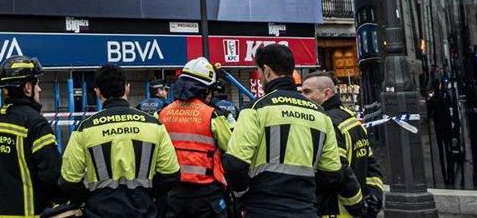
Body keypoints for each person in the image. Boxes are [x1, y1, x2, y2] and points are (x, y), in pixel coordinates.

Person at [224, 43, 361, 218]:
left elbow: (235, 163)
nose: (258, 77)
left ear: (266, 71)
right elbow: (333, 172)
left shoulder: (255, 110)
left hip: (263, 208)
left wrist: (242, 196)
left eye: (258, 71)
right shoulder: (320, 115)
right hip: (305, 209)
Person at [61, 63, 180, 218]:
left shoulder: (85, 129)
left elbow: (68, 180)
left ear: (97, 92)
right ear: (127, 88)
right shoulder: (153, 124)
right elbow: (171, 174)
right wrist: (147, 195)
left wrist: (91, 198)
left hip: (98, 211)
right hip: (143, 210)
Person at [0, 56, 62, 218]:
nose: (39, 89)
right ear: (27, 87)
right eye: (36, 84)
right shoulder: (36, 124)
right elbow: (52, 174)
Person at [298, 73, 383, 218]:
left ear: (327, 93)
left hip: (335, 210)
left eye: (307, 92)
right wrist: (374, 198)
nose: (302, 97)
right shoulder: (351, 119)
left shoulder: (327, 123)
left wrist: (358, 206)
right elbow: (371, 167)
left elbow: (339, 173)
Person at [158, 59, 233, 218]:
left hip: (173, 194)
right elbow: (232, 149)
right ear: (205, 90)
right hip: (207, 196)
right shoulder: (213, 115)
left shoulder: (162, 114)